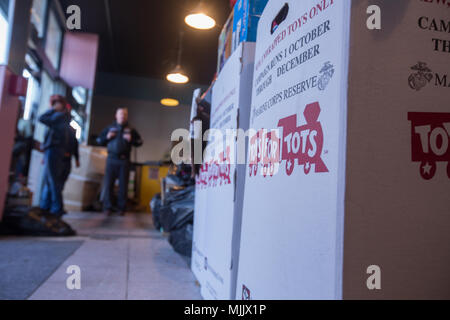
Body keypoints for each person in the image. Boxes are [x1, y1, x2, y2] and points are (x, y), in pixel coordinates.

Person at [97, 108, 143, 216]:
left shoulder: (131, 129)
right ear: (116, 116)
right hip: (111, 159)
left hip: (124, 160)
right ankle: (108, 207)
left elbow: (140, 142)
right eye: (121, 114)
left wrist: (131, 139)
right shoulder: (110, 128)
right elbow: (99, 140)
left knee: (123, 185)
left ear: (127, 117)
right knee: (109, 184)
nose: (122, 116)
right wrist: (107, 137)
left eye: (125, 114)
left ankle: (121, 208)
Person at [39, 95, 74, 217]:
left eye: (55, 104)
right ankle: (45, 206)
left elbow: (41, 118)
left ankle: (56, 208)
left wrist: (53, 109)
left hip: (54, 150)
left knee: (53, 181)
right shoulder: (61, 117)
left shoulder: (59, 116)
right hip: (54, 150)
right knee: (50, 181)